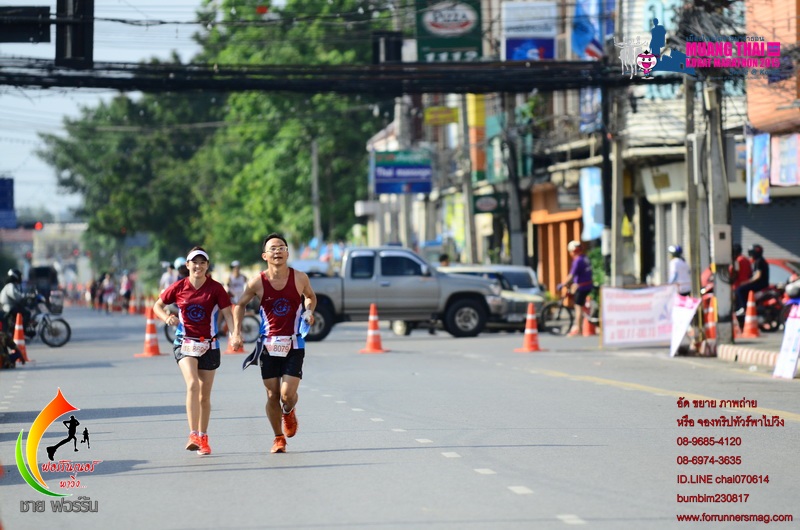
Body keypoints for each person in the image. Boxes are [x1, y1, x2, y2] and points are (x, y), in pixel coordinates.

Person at [230, 233, 317, 454]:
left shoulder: (300, 278)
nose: (277, 251)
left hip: (294, 343)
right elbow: (240, 305)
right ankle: (278, 438)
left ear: (287, 253)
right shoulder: (257, 282)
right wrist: (236, 332)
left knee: (287, 395)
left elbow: (310, 296)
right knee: (272, 394)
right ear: (265, 256)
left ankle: (288, 411)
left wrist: (308, 311)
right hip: (268, 345)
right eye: (273, 248)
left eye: (281, 248)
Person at [153, 247, 235, 457]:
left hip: (209, 344)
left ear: (207, 266)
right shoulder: (179, 286)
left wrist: (234, 334)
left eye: (202, 262)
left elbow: (228, 313)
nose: (198, 266)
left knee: (204, 396)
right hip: (185, 342)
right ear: (187, 265)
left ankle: (203, 436)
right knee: (192, 384)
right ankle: (193, 435)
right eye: (194, 262)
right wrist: (166, 317)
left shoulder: (216, 288)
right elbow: (157, 306)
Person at [558, 240, 594, 337]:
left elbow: (571, 275)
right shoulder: (585, 258)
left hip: (582, 286)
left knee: (578, 307)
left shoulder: (577, 261)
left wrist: (563, 284)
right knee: (581, 305)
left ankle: (579, 329)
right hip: (587, 284)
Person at [735, 243, 769, 313]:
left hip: (760, 284)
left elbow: (758, 275)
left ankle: (743, 308)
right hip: (761, 284)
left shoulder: (759, 261)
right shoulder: (760, 260)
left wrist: (747, 282)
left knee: (740, 290)